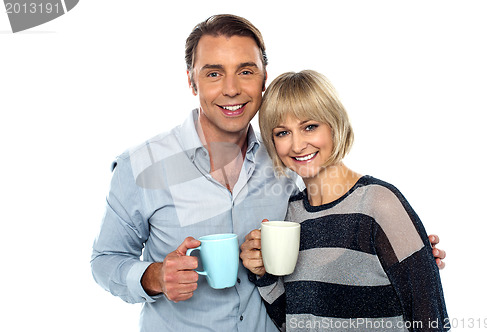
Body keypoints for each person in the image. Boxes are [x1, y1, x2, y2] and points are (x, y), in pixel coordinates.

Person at [91, 15, 446, 331]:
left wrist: (399, 249)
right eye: (213, 73)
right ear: (191, 81)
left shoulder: (284, 165)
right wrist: (152, 276)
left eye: (245, 71)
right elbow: (104, 261)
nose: (231, 88)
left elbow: (328, 232)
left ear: (263, 80)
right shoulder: (140, 166)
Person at [240, 70, 449, 331]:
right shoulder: (289, 214)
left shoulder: (378, 203)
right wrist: (263, 275)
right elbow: (293, 322)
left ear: (334, 124)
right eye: (282, 133)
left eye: (309, 127)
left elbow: (432, 321)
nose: (297, 145)